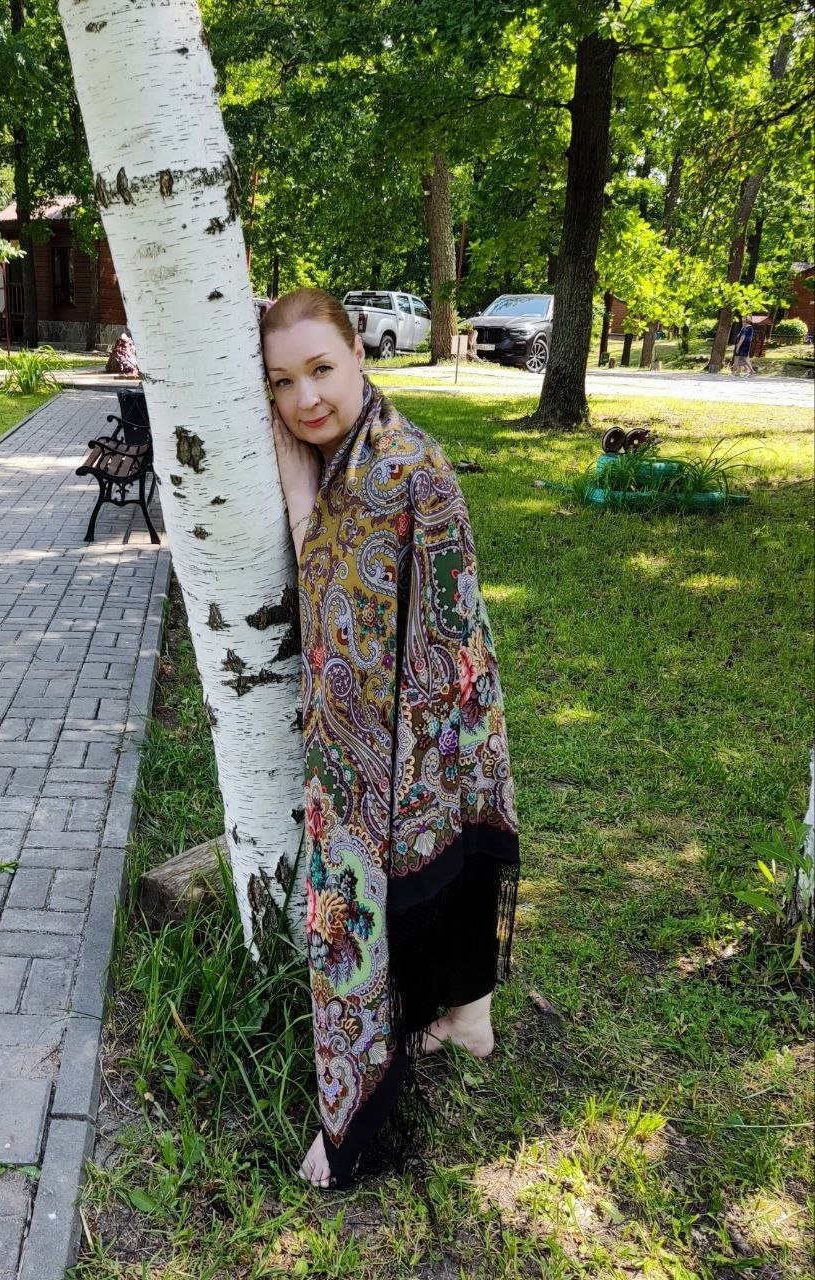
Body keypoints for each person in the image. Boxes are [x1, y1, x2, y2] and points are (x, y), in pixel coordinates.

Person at [263, 288, 520, 1190]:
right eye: (281, 382)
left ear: (360, 354)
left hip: (408, 722)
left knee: (362, 901)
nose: (305, 399)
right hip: (446, 718)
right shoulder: (364, 451)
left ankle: (356, 1116)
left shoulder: (396, 467)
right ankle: (469, 1019)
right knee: (443, 859)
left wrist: (298, 497)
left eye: (320, 370)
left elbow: (341, 609)